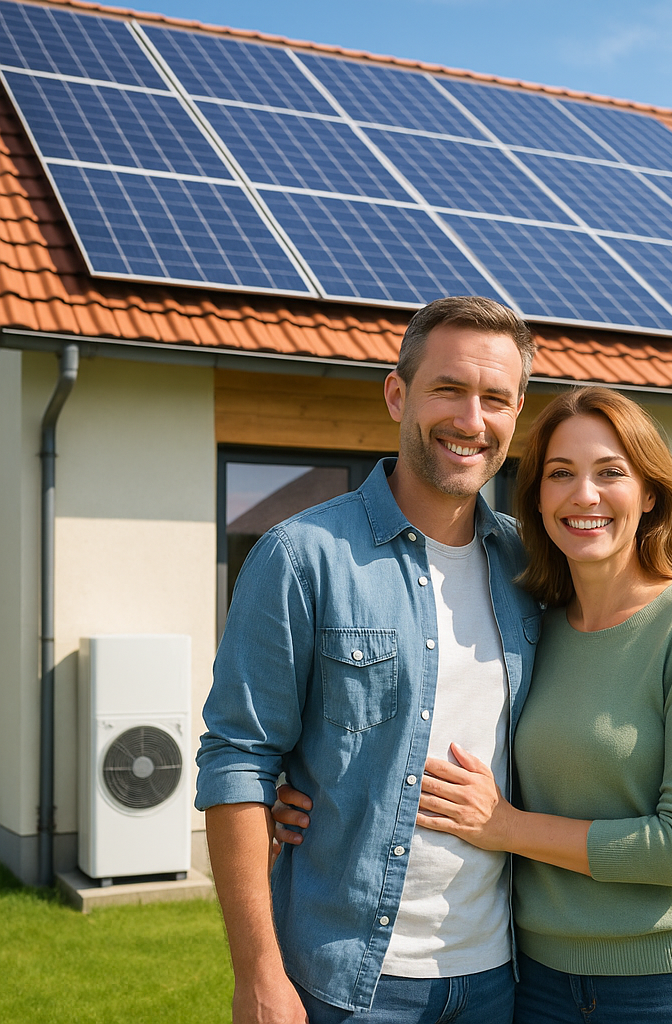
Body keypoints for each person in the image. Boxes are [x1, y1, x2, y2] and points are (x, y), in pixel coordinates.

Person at [277, 387, 672, 1023]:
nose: (584, 495)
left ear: (651, 492)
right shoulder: (534, 625)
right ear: (535, 500)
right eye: (561, 474)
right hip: (538, 983)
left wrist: (505, 826)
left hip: (668, 983)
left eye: (611, 472)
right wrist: (309, 790)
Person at [196, 295, 542, 1024]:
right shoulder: (301, 557)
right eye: (448, 388)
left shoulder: (532, 566)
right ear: (397, 394)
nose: (471, 420)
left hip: (504, 976)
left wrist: (663, 844)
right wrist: (259, 975)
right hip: (347, 981)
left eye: (495, 399)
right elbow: (236, 759)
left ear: (516, 416)